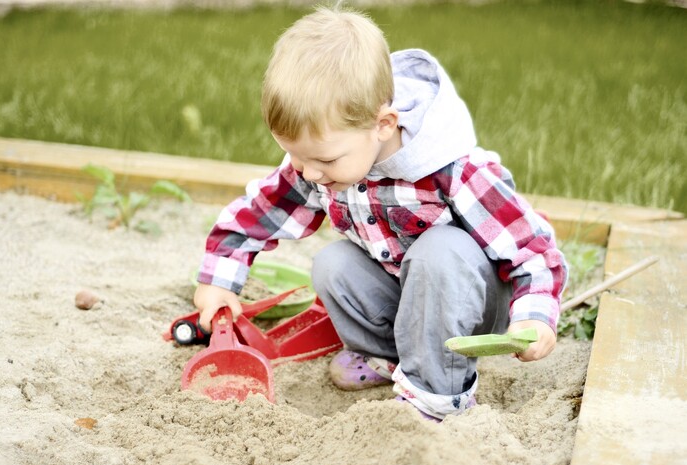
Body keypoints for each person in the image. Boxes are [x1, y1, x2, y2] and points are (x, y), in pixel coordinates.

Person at [193, 5, 567, 421]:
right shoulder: (323, 160)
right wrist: (218, 281)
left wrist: (535, 317)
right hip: (406, 298)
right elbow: (260, 212)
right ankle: (391, 357)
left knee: (439, 250)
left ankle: (438, 395)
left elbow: (532, 249)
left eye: (324, 160)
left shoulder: (452, 170)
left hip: (472, 309)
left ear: (384, 124)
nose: (310, 172)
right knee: (333, 264)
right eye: (295, 156)